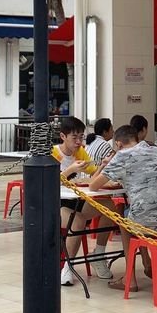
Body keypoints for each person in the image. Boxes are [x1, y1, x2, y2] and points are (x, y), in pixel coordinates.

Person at [89, 123, 157, 292]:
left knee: (125, 220)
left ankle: (130, 280)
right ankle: (147, 263)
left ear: (118, 144)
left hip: (144, 221)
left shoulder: (122, 156)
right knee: (133, 215)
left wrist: (106, 164)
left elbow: (94, 185)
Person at [52, 116, 115, 286]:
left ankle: (98, 254)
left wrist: (103, 165)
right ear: (63, 136)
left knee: (110, 207)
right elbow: (48, 182)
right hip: (55, 205)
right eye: (75, 137)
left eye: (81, 137)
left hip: (77, 201)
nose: (79, 142)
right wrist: (71, 169)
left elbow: (93, 176)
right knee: (78, 220)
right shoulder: (54, 153)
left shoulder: (80, 152)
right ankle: (67, 267)